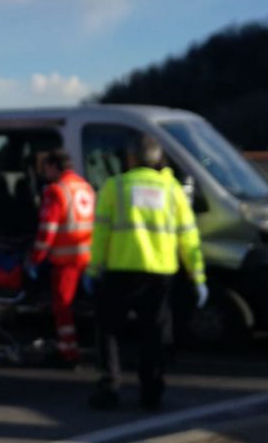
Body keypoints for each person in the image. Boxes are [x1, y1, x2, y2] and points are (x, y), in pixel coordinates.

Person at [85, 134, 207, 411]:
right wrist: (198, 277)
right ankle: (151, 393)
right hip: (160, 274)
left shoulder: (114, 187)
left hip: (120, 270)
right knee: (153, 334)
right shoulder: (173, 190)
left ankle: (109, 388)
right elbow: (188, 238)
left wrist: (93, 269)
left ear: (130, 158)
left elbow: (100, 234)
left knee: (109, 331)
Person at [27, 149, 94, 364]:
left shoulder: (56, 191)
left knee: (62, 307)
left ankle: (68, 351)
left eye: (46, 166)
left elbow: (47, 230)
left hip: (65, 261)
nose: (44, 171)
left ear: (55, 167)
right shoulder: (85, 187)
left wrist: (35, 258)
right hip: (86, 257)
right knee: (79, 306)